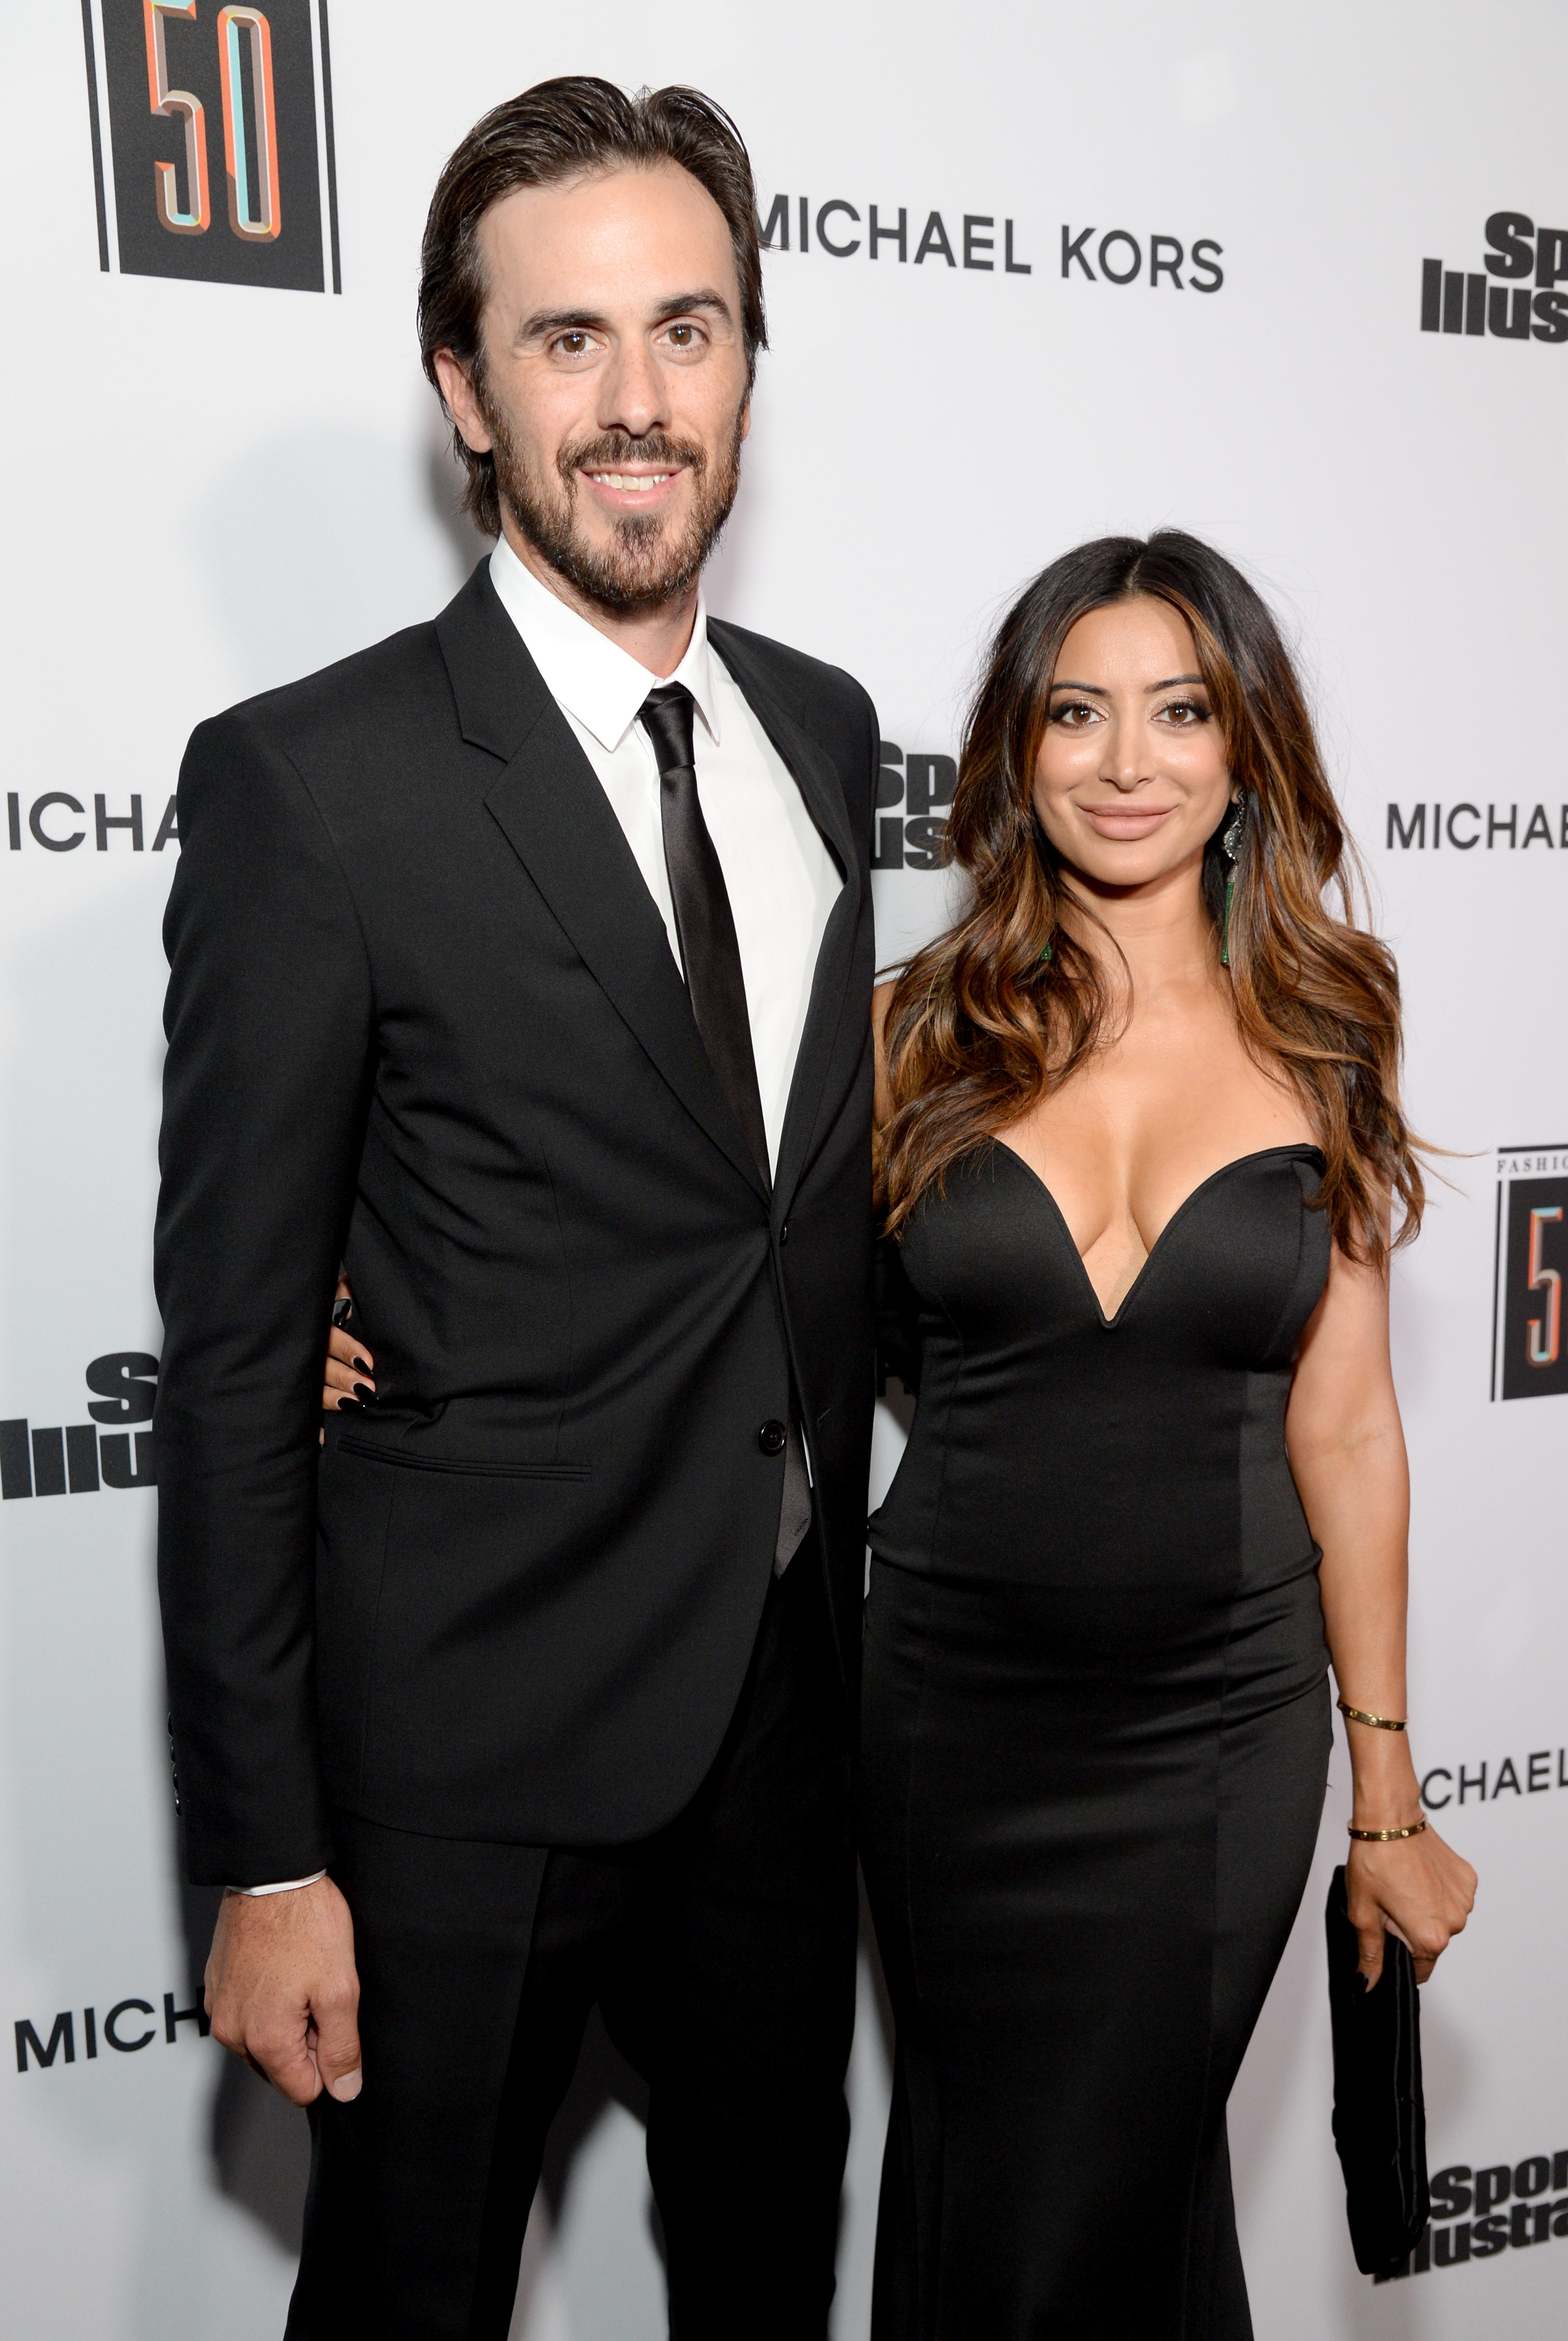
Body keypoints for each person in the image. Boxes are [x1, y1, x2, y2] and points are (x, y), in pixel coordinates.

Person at [154, 79, 878, 2340]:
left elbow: (774, 1203)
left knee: (766, 2277)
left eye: (688, 329)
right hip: (456, 1764)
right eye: (567, 343)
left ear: (751, 359)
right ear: (463, 387)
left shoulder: (827, 733)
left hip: (780, 1723)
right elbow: (246, 1355)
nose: (639, 402)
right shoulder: (313, 781)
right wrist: (267, 1856)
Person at [857, 532, 1477, 2338]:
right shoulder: (912, 1029)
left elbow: (1349, 1435)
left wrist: (1388, 1795)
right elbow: (749, 1306)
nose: (1127, 763)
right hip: (952, 1717)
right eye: (1077, 713)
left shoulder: (1328, 1028)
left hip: (1214, 1730)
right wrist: (397, 1319)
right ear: (1017, 751)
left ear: (1243, 751)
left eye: (1180, 712)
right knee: (998, 2183)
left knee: (1098, 2193)